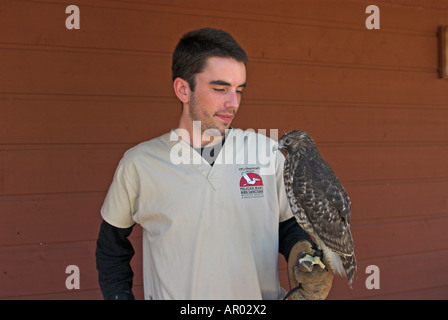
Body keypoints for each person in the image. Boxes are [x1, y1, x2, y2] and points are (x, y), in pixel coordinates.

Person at [95, 27, 333, 300]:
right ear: (183, 89)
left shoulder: (266, 153)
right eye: (220, 89)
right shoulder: (140, 164)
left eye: (239, 90)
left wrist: (301, 254)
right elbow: (111, 248)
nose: (233, 103)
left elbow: (288, 225)